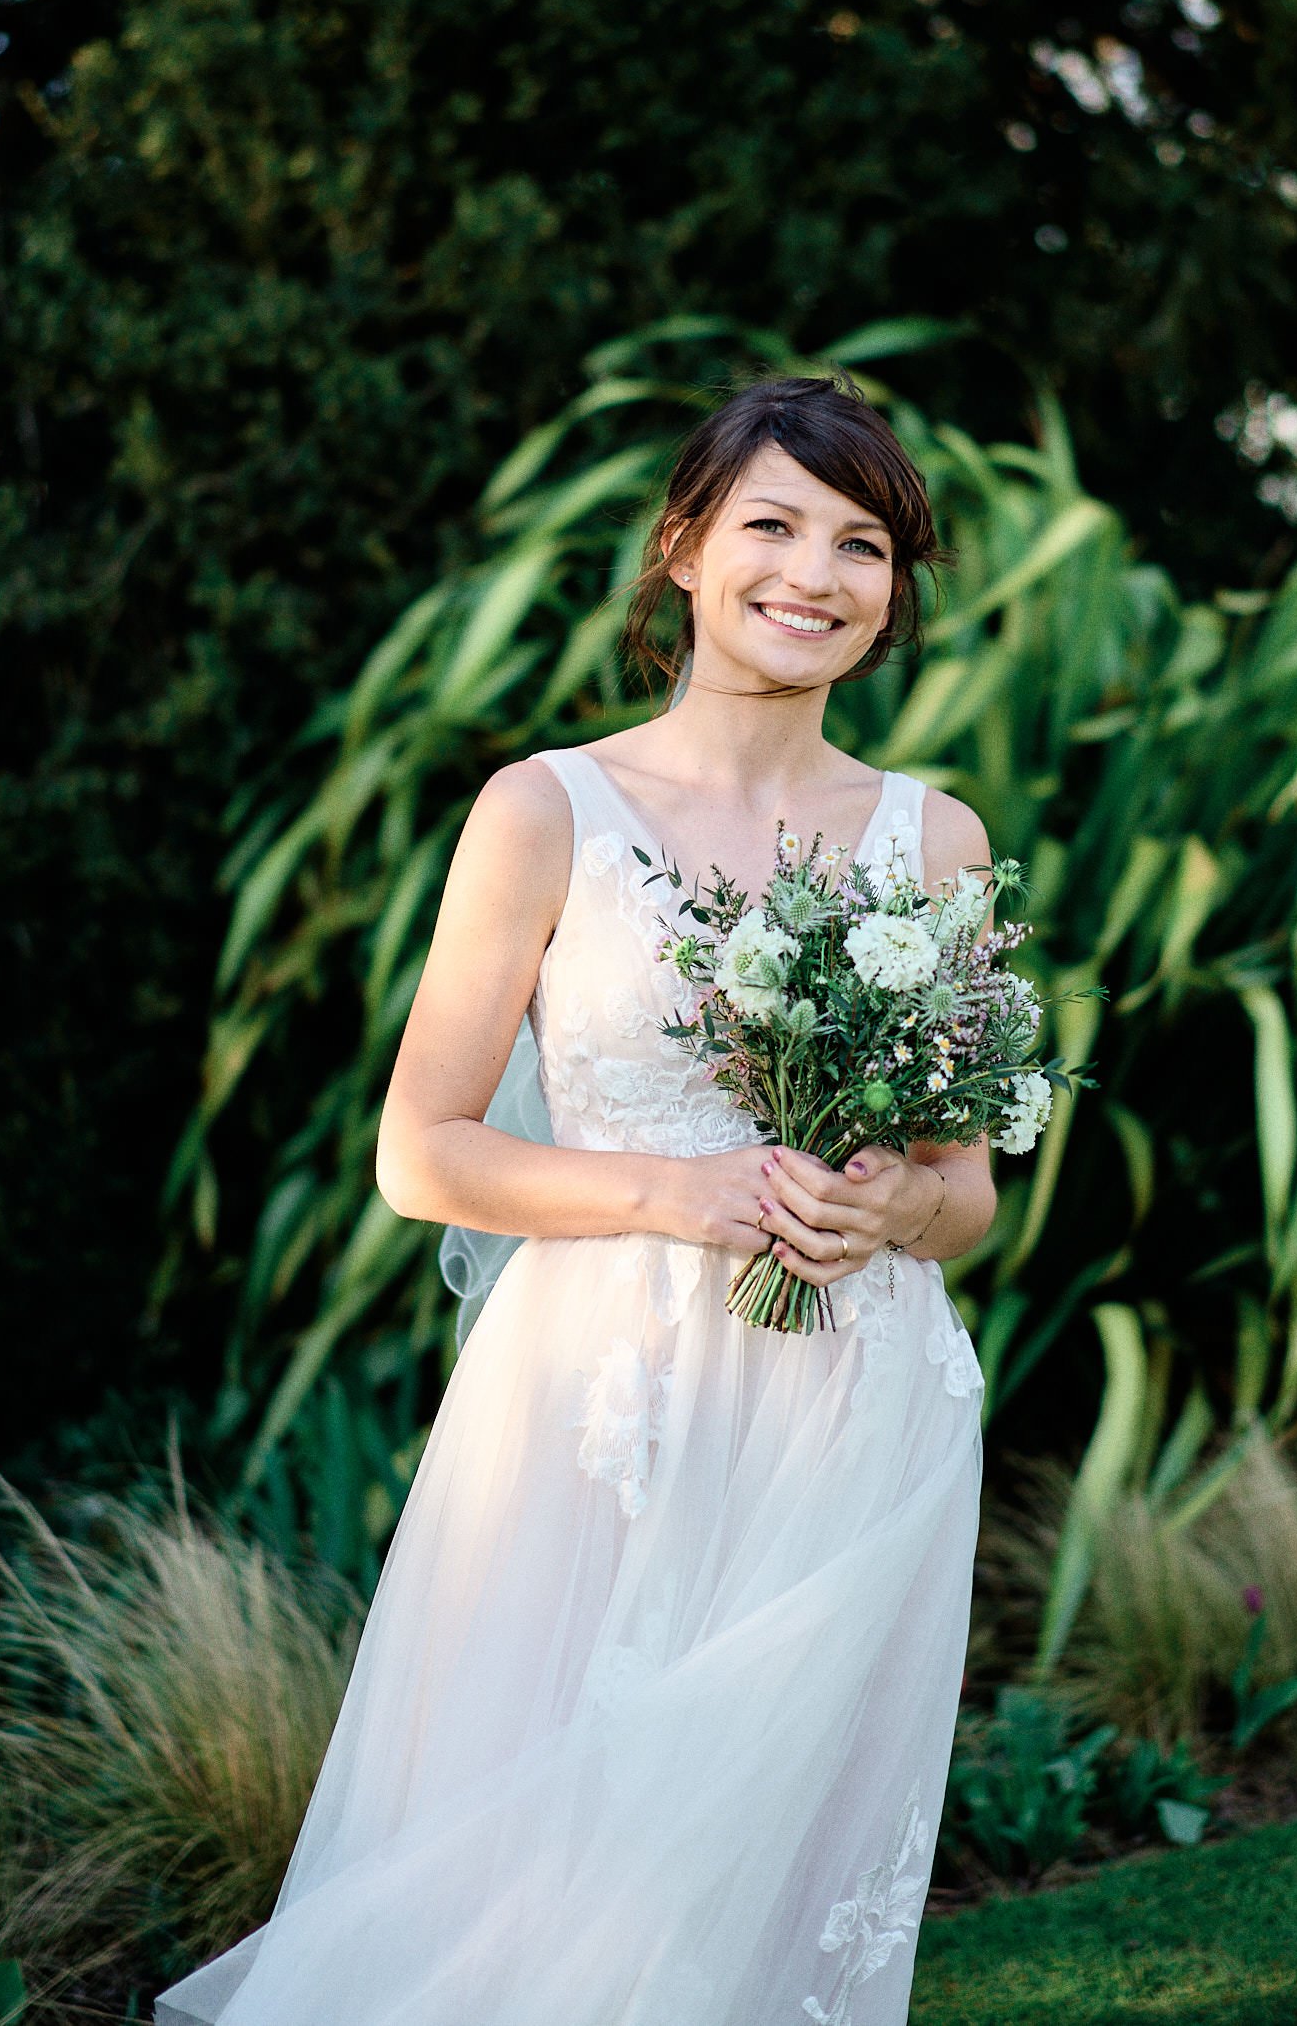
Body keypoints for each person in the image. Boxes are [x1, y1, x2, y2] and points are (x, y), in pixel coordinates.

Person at [156, 375, 994, 2026]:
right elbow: (425, 1152)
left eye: (864, 544)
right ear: (684, 547)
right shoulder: (547, 810)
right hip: (596, 1411)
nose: (814, 575)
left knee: (764, 1886)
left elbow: (967, 1191)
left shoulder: (935, 839)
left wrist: (884, 1208)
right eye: (772, 525)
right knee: (541, 1877)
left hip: (854, 1407)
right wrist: (682, 1193)